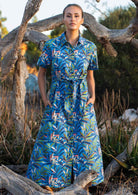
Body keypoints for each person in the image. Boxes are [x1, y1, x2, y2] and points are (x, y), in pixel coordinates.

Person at [26, 3, 104, 191]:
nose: (72, 19)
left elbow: (90, 76)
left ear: (82, 20)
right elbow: (42, 74)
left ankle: (85, 182)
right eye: (68, 15)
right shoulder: (52, 46)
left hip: (82, 99)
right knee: (54, 140)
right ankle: (49, 184)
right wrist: (45, 99)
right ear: (63, 19)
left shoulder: (90, 48)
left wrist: (93, 97)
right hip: (58, 98)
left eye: (76, 16)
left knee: (85, 140)